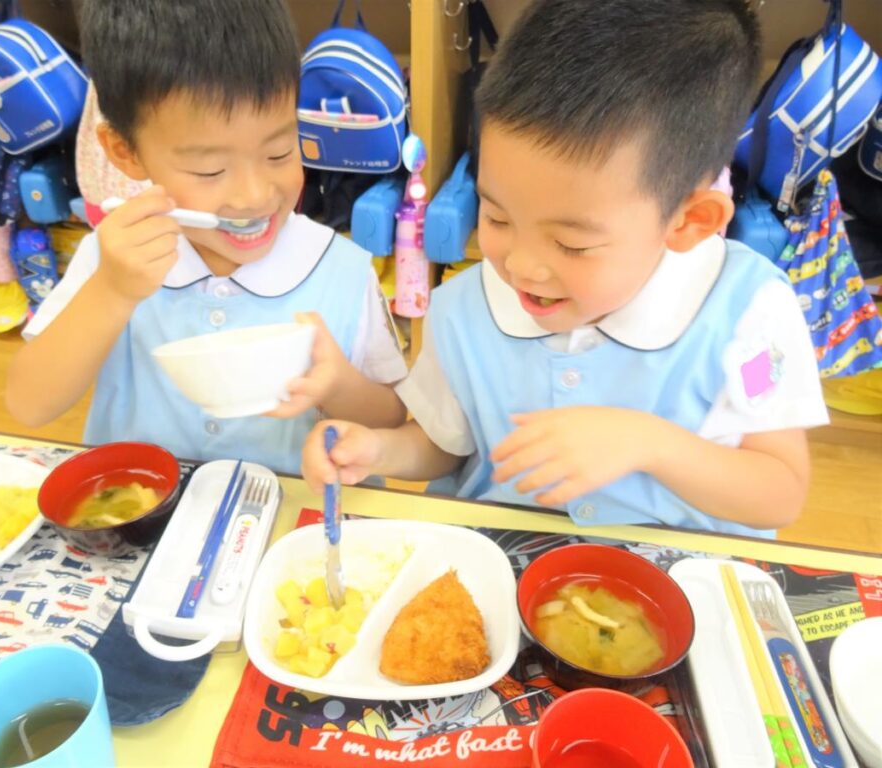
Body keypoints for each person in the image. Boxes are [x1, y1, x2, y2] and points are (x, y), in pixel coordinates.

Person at [302, 0, 828, 537]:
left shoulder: (750, 313)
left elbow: (779, 492)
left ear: (690, 220)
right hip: (500, 560)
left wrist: (647, 442)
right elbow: (445, 446)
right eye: (497, 216)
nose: (521, 266)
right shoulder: (464, 308)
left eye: (571, 244)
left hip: (680, 585)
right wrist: (379, 450)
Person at [5, 0, 407, 472]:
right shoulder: (113, 257)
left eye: (280, 152)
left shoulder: (342, 269)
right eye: (209, 169)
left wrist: (339, 385)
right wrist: (111, 292)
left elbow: (393, 423)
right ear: (124, 151)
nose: (256, 195)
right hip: (142, 517)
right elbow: (30, 405)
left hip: (289, 526)